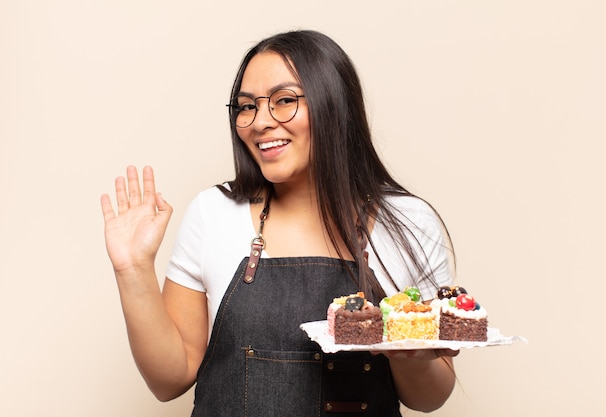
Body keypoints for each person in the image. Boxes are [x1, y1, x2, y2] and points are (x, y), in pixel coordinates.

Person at [101, 29, 458, 416]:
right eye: (247, 106)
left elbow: (428, 398)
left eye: (284, 100)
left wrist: (411, 355)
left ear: (334, 104)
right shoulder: (213, 213)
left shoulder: (409, 223)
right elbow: (169, 379)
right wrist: (133, 269)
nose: (258, 122)